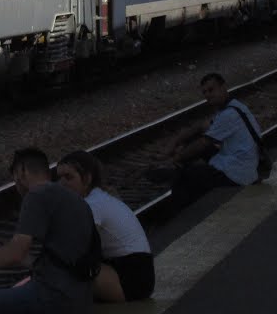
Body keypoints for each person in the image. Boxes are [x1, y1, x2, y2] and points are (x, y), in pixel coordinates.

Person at [0, 147, 99, 314]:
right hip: (80, 296)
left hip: (54, 297)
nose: (17, 187)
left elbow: (16, 251)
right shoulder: (73, 199)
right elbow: (63, 259)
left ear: (21, 172)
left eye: (15, 180)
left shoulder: (37, 194)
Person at [55, 150, 155, 302]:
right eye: (59, 178)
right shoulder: (99, 197)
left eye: (68, 177)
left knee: (66, 268)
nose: (61, 184)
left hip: (131, 280)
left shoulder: (93, 204)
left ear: (87, 178)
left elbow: (72, 244)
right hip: (137, 274)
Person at [164, 72, 263, 209]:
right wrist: (175, 141)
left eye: (211, 90)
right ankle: (187, 178)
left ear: (223, 87)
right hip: (241, 161)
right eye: (205, 92)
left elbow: (203, 143)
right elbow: (201, 126)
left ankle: (178, 213)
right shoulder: (234, 106)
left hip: (239, 173)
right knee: (194, 143)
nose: (208, 95)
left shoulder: (228, 115)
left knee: (186, 175)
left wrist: (177, 158)